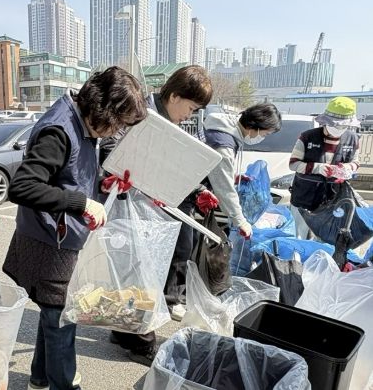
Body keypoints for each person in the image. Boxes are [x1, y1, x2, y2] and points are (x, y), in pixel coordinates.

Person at [3, 66, 148, 390]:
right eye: (117, 123)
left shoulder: (82, 122)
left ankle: (40, 377)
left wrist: (102, 184)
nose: (115, 132)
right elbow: (22, 187)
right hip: (47, 243)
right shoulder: (59, 130)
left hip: (56, 238)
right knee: (62, 318)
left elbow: (69, 176)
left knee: (53, 313)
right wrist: (81, 203)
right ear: (102, 107)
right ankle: (64, 384)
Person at [100, 65, 214, 366]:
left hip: (150, 210)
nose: (189, 115)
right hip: (127, 206)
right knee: (140, 276)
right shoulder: (141, 112)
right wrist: (127, 173)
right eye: (190, 108)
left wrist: (198, 188)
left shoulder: (174, 121)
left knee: (135, 274)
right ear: (174, 96)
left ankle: (122, 331)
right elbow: (110, 146)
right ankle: (142, 345)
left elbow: (176, 163)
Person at [203, 103, 282, 239]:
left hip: (192, 191)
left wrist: (233, 177)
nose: (263, 137)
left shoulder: (222, 128)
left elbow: (213, 168)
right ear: (254, 126)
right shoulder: (224, 145)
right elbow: (225, 190)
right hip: (184, 196)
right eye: (265, 134)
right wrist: (241, 222)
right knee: (184, 246)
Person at [289, 96, 360, 238]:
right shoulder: (308, 137)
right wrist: (317, 168)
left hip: (333, 198)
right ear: (326, 121)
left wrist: (348, 168)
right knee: (299, 235)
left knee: (326, 237)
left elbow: (356, 162)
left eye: (343, 126)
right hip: (305, 195)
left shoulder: (352, 139)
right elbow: (293, 164)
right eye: (335, 125)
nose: (338, 129)